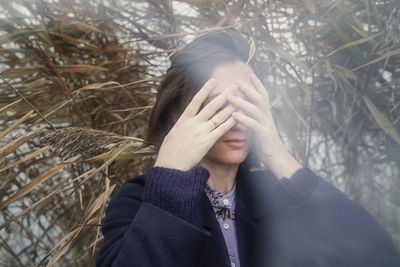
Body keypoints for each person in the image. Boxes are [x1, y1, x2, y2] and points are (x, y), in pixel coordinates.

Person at [96, 30, 400, 267]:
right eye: (219, 105)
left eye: (248, 103)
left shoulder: (276, 196)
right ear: (178, 116)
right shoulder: (140, 202)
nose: (238, 121)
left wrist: (278, 156)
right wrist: (171, 177)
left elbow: (379, 255)